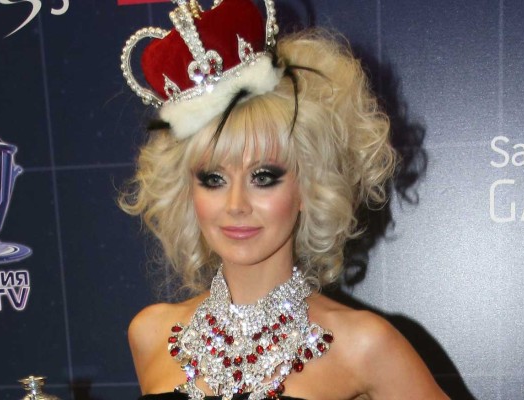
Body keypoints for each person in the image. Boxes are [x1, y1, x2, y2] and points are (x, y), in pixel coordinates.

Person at [119, 0, 449, 399]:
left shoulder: (363, 346)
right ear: (188, 191)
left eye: (263, 177)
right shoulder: (150, 334)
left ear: (309, 186)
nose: (236, 204)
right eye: (213, 179)